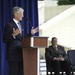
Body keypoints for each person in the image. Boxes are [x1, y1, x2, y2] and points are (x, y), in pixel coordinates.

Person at [3, 6, 38, 75]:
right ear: (16, 14)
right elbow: (5, 39)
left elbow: (22, 39)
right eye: (22, 13)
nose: (23, 15)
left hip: (21, 54)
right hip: (13, 55)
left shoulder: (21, 25)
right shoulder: (9, 25)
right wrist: (13, 35)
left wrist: (30, 34)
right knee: (13, 73)